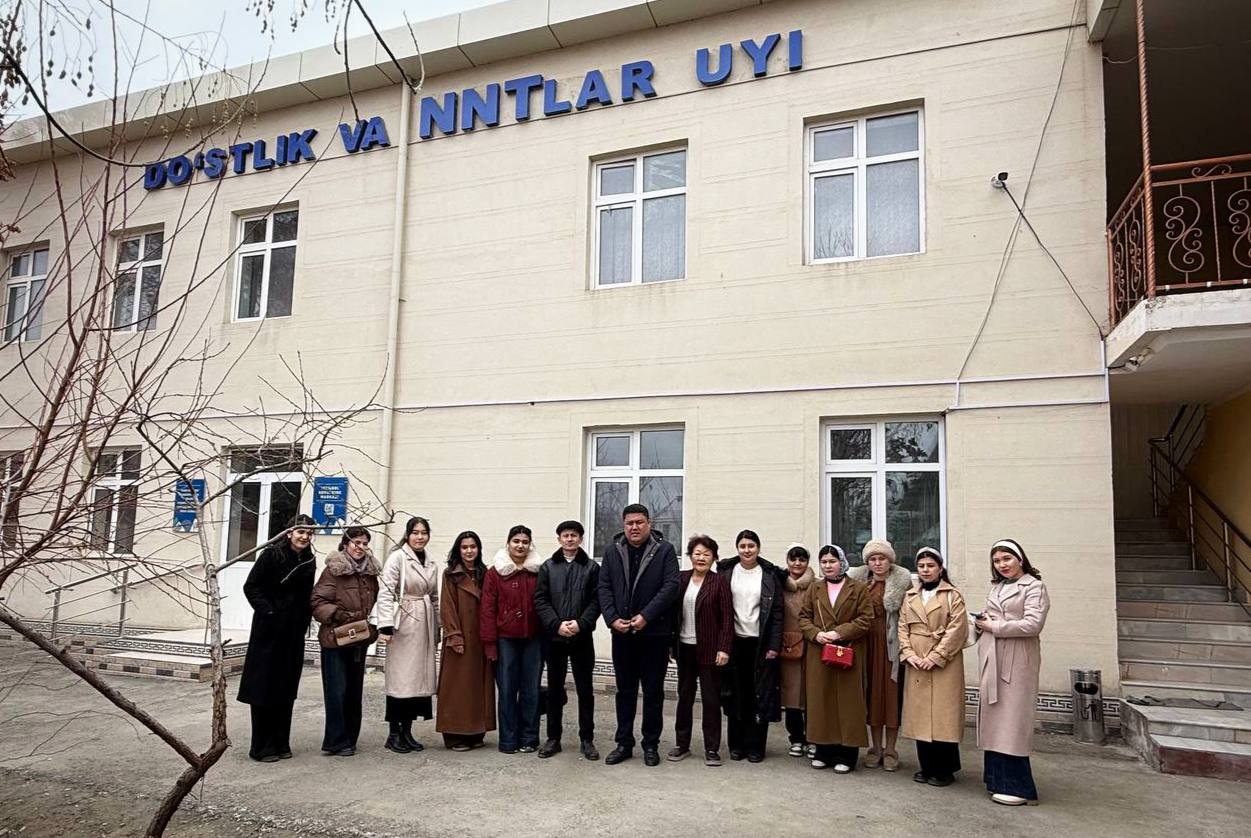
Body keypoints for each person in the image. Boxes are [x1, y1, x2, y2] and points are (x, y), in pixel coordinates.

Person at [597, 503, 681, 767]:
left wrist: (646, 616)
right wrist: (612, 619)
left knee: (653, 692)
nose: (634, 527)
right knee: (625, 691)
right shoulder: (612, 551)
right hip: (622, 633)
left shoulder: (665, 550)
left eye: (639, 522)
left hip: (654, 633)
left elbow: (671, 586)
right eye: (629, 523)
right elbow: (604, 587)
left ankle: (650, 744)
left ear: (649, 523)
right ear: (624, 525)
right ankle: (624, 743)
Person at [237, 513, 318, 762]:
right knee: (264, 688)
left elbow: (306, 594)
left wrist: (304, 620)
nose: (304, 537)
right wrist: (269, 612)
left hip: (293, 633)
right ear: (289, 532)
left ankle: (281, 742)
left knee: (286, 688)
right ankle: (261, 747)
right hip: (268, 632)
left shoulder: (309, 559)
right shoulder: (271, 554)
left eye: (309, 533)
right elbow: (251, 586)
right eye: (300, 531)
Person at [976, 539, 1050, 806]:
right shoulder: (998, 586)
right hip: (993, 656)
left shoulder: (1034, 587)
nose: (1002, 565)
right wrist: (982, 621)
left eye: (1007, 558)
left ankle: (1020, 787)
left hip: (1017, 660)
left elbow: (1033, 624)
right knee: (995, 721)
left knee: (1012, 721)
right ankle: (996, 780)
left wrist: (994, 626)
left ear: (1020, 559)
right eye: (997, 561)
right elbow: (994, 616)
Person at [798, 544, 873, 774]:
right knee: (821, 700)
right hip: (819, 651)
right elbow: (804, 617)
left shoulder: (858, 588)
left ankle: (847, 754)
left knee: (848, 703)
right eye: (824, 562)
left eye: (832, 561)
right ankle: (823, 751)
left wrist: (839, 633)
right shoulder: (814, 588)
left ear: (842, 562)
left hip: (847, 651)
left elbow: (865, 619)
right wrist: (815, 634)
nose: (828, 566)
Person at [899, 546, 968, 786]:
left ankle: (945, 769)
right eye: (921, 566)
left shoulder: (952, 595)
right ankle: (926, 766)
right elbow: (902, 627)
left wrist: (937, 656)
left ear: (940, 568)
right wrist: (908, 653)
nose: (926, 570)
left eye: (930, 566)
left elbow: (957, 630)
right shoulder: (910, 596)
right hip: (916, 661)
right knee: (920, 715)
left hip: (944, 663)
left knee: (943, 715)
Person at [310, 525, 381, 757]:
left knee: (353, 690)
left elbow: (376, 600)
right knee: (336, 691)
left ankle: (350, 738)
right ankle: (336, 741)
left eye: (364, 543)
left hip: (358, 637)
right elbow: (317, 601)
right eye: (356, 542)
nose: (360, 547)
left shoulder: (369, 573)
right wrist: (338, 615)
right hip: (335, 638)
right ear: (346, 544)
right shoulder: (334, 570)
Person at [533, 520, 601, 760]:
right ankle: (553, 739)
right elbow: (540, 599)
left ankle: (587, 739)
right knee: (554, 689)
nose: (570, 539)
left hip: (582, 637)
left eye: (574, 535)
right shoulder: (548, 567)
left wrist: (581, 624)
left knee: (585, 690)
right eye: (565, 535)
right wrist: (556, 624)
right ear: (559, 539)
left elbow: (596, 600)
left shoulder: (591, 568)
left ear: (581, 539)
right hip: (555, 637)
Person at [847, 538, 912, 771]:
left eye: (881, 558)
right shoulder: (859, 584)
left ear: (890, 560)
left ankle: (891, 749)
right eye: (873, 559)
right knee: (872, 696)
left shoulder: (903, 584)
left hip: (891, 647)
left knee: (891, 697)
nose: (877, 563)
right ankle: (875, 748)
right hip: (867, 646)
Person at [719, 529, 784, 763]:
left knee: (759, 696)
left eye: (751, 546)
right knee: (735, 694)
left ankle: (756, 746)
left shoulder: (769, 574)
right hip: (734, 642)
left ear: (758, 548)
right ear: (737, 548)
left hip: (760, 643)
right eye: (743, 546)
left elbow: (777, 613)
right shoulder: (726, 571)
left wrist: (774, 645)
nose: (747, 550)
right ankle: (736, 745)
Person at [667, 534, 732, 766]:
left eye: (706, 554)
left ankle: (712, 748)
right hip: (684, 648)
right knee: (684, 697)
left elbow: (727, 618)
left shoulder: (719, 582)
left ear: (714, 557)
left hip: (710, 650)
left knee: (711, 699)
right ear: (690, 556)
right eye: (697, 553)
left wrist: (724, 648)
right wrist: (670, 644)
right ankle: (681, 744)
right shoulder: (681, 578)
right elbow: (672, 613)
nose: (701, 558)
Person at [377, 516, 439, 754]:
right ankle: (394, 733)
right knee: (401, 680)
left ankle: (407, 731)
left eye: (424, 532)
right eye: (415, 532)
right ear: (407, 534)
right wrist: (385, 625)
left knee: (416, 681)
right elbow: (386, 591)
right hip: (403, 623)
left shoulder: (431, 561)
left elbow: (435, 596)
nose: (420, 537)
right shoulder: (397, 557)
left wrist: (438, 626)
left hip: (424, 623)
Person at [480, 524, 544, 754]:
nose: (520, 546)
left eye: (525, 542)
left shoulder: (539, 571)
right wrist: (489, 643)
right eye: (516, 541)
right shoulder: (495, 573)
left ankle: (529, 738)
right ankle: (508, 740)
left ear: (530, 545)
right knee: (507, 690)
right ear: (508, 544)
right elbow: (487, 609)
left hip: (534, 639)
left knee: (531, 690)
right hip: (505, 639)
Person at [436, 531, 496, 751]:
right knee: (457, 688)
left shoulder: (485, 573)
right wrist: (454, 635)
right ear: (458, 550)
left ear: (478, 549)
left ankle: (476, 732)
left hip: (480, 638)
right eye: (464, 547)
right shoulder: (451, 574)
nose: (469, 551)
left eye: (473, 547)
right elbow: (447, 606)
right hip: (460, 637)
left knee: (478, 687)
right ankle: (454, 735)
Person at [780, 543, 816, 758]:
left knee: (812, 694)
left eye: (802, 559)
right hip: (787, 646)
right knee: (791, 695)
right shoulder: (779, 583)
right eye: (793, 559)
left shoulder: (817, 585)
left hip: (812, 644)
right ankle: (795, 738)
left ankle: (813, 738)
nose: (797, 563)